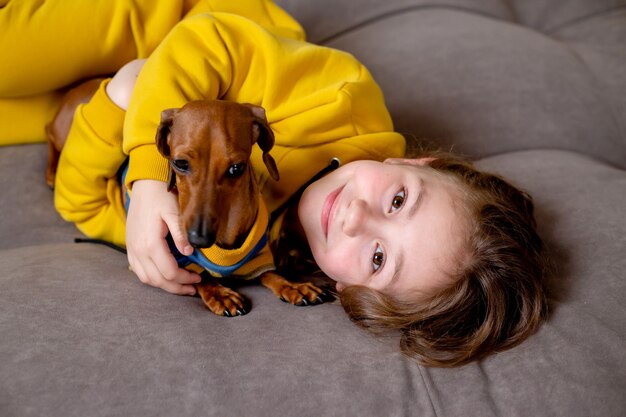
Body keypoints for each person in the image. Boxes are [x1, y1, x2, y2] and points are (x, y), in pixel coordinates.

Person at [1, 0, 547, 367]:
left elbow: (83, 204)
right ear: (418, 164)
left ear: (350, 291)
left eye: (379, 258)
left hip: (104, 90)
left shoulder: (254, 249)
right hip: (175, 17)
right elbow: (207, 40)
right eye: (399, 200)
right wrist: (147, 172)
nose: (356, 217)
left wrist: (118, 102)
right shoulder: (345, 100)